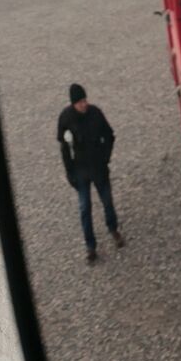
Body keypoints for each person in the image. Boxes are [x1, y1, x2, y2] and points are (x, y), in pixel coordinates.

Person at [57, 83, 123, 264]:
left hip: (98, 167)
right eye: (80, 102)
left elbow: (109, 135)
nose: (84, 104)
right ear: (73, 104)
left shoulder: (95, 113)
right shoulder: (66, 118)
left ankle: (113, 229)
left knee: (107, 201)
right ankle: (90, 246)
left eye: (85, 100)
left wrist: (105, 157)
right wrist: (69, 172)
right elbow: (64, 148)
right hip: (80, 170)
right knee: (85, 208)